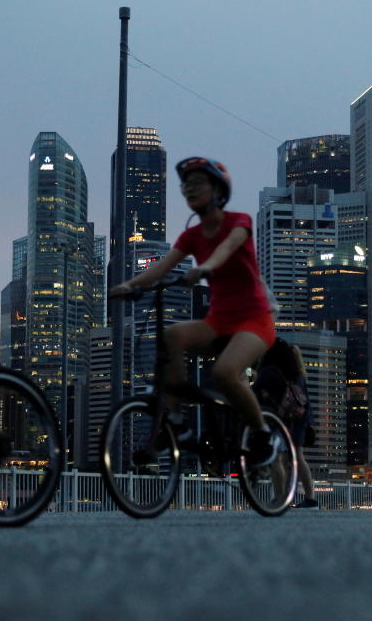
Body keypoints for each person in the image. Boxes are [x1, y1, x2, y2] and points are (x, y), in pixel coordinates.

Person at [109, 156, 282, 465]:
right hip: (219, 321)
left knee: (224, 373)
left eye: (198, 183)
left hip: (255, 320)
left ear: (218, 190)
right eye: (186, 186)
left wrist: (203, 268)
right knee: (171, 335)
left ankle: (263, 434)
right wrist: (128, 286)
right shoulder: (190, 236)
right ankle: (177, 422)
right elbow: (161, 268)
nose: (190, 190)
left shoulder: (239, 221)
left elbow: (226, 249)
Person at [253, 338, 317, 508]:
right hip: (298, 420)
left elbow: (256, 394)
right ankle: (311, 498)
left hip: (278, 420)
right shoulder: (298, 374)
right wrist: (309, 423)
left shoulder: (270, 372)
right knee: (299, 458)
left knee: (277, 459)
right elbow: (305, 400)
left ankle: (280, 499)